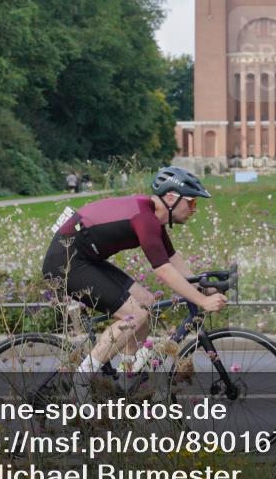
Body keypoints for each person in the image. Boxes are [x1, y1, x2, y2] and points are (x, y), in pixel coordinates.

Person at [41, 166, 227, 393]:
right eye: (192, 202)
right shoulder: (145, 219)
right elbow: (164, 270)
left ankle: (125, 380)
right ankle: (80, 383)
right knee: (134, 316)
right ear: (171, 198)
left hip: (86, 259)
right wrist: (202, 301)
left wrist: (203, 288)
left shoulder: (152, 217)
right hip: (66, 263)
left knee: (147, 302)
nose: (194, 209)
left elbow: (172, 259)